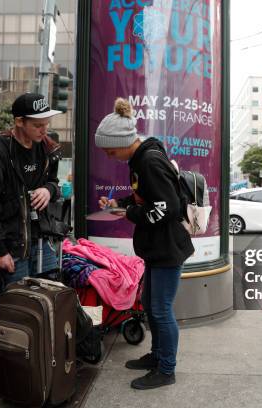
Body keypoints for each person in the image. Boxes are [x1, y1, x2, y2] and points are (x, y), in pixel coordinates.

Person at [96, 98, 194, 390]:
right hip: (156, 247)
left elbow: (169, 207)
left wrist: (128, 212)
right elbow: (149, 198)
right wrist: (120, 203)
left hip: (166, 248)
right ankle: (157, 356)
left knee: (161, 309)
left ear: (124, 141)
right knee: (152, 307)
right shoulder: (141, 158)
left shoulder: (149, 161)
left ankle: (167, 369)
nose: (110, 155)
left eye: (111, 150)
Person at [0, 92, 62, 288]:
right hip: (11, 247)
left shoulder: (47, 148)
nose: (44, 130)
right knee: (17, 308)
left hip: (42, 241)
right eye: (38, 125)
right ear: (19, 121)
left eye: (46, 123)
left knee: (48, 303)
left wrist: (48, 190)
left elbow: (55, 183)